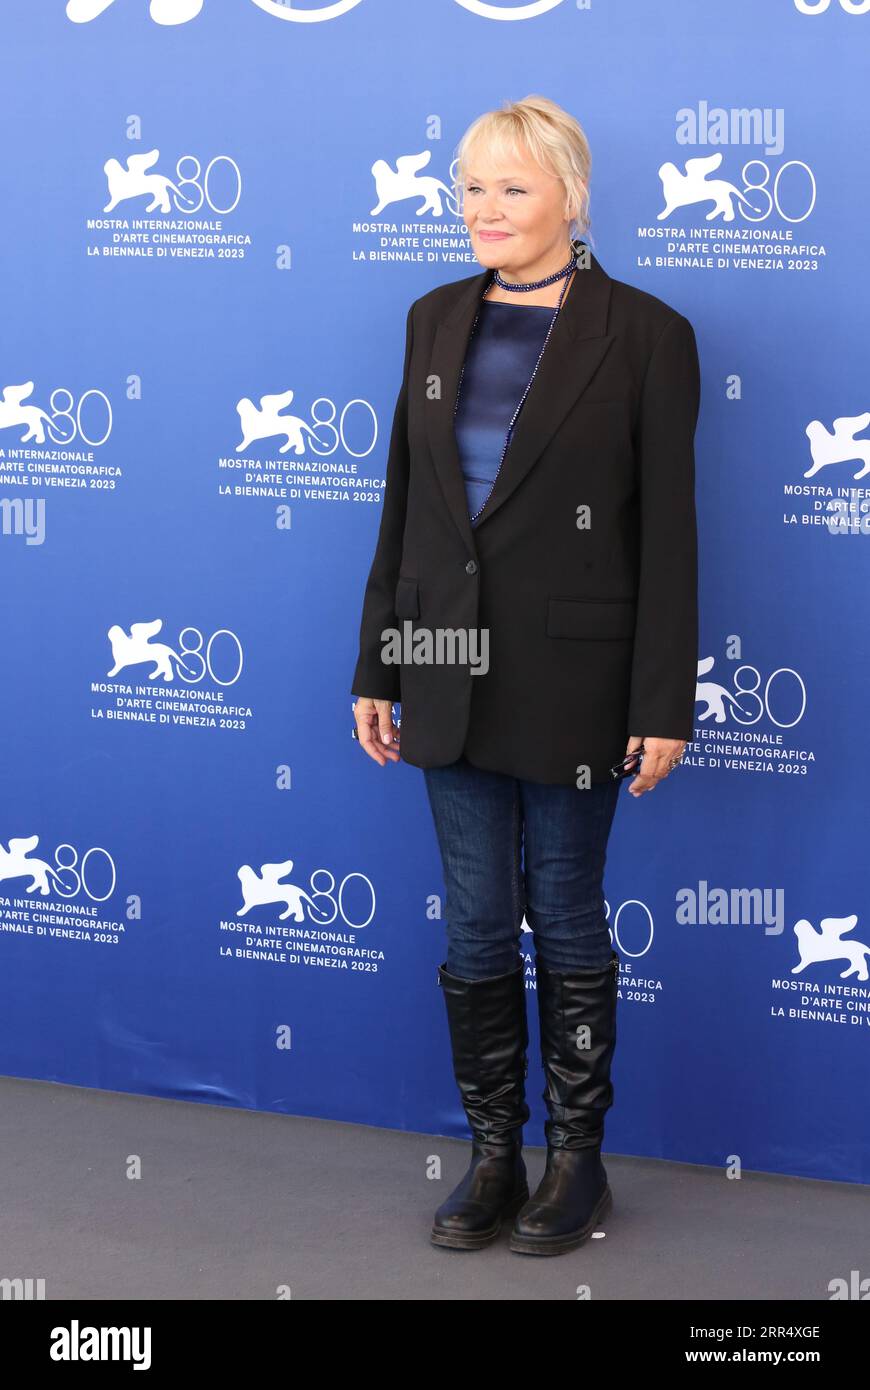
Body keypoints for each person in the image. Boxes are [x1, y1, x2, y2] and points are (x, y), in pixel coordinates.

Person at [351, 95, 701, 1256]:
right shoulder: (432, 318)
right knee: (475, 922)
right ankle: (495, 1155)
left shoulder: (647, 333)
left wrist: (662, 704)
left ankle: (577, 1165)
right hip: (444, 658)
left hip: (576, 681)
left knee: (564, 912)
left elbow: (671, 539)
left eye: (511, 188)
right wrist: (381, 664)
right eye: (470, 189)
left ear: (570, 198)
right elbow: (406, 507)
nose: (485, 210)